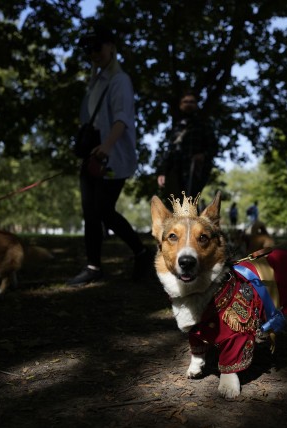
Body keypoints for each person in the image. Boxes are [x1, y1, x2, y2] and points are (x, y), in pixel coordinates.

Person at [67, 23, 151, 286]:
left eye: (98, 47)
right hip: (92, 155)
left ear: (111, 47)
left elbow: (122, 118)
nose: (93, 53)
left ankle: (142, 253)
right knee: (90, 213)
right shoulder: (95, 82)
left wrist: (107, 147)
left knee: (104, 209)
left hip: (112, 156)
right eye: (89, 49)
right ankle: (93, 266)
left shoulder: (119, 80)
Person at [156, 90, 218, 198]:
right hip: (177, 172)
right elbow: (169, 152)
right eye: (185, 102)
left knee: (190, 201)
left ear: (196, 105)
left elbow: (214, 147)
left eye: (192, 102)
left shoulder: (203, 125)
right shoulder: (177, 128)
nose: (188, 104)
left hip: (196, 171)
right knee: (176, 204)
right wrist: (163, 172)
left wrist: (203, 156)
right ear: (181, 105)